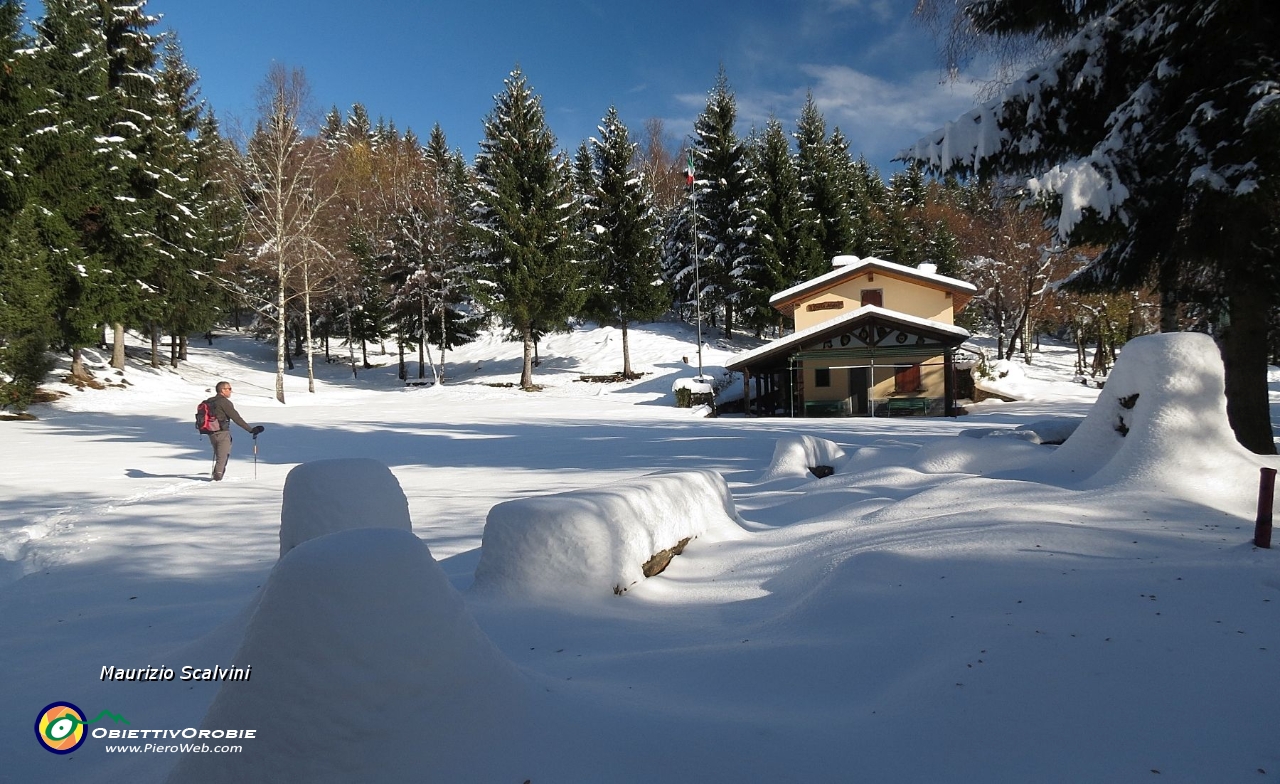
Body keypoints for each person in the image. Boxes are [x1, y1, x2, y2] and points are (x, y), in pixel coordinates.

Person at [203, 381, 264, 481]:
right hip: (222, 432)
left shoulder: (209, 401)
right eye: (229, 389)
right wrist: (250, 430)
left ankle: (216, 475)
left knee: (219, 455)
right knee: (223, 455)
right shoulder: (224, 402)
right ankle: (217, 479)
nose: (231, 391)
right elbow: (236, 418)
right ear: (223, 390)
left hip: (211, 432)